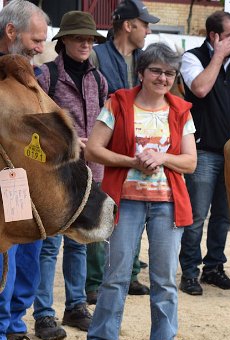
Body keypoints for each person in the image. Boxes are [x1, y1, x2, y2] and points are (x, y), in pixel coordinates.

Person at [74, 42, 197, 340]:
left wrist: (163, 157)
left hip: (166, 204)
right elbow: (94, 150)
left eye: (169, 72)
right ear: (140, 72)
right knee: (115, 277)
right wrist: (132, 161)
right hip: (125, 202)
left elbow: (190, 162)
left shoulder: (181, 110)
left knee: (165, 279)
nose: (163, 77)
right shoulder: (117, 103)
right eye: (156, 70)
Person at [32, 11, 108, 340]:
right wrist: (66, 141)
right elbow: (32, 121)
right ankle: (44, 314)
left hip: (89, 174)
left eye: (90, 39)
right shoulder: (44, 75)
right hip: (53, 174)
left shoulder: (99, 79)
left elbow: (105, 122)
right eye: (79, 38)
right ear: (63, 41)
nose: (85, 43)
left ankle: (76, 306)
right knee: (48, 246)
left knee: (79, 243)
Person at [178, 11, 230, 296]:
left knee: (224, 217)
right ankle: (190, 272)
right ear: (214, 36)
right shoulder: (193, 57)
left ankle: (214, 268)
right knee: (196, 215)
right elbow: (199, 89)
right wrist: (218, 57)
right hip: (201, 151)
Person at [0, 0, 55, 340]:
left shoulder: (29, 77)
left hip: (20, 185)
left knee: (27, 261)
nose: (41, 47)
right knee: (2, 268)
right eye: (37, 39)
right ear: (11, 33)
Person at [88, 0, 160, 303]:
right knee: (99, 211)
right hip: (104, 148)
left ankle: (129, 274)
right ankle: (93, 282)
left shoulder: (145, 60)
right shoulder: (97, 55)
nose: (148, 30)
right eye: (145, 24)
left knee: (132, 211)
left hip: (139, 150)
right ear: (128, 25)